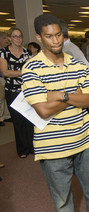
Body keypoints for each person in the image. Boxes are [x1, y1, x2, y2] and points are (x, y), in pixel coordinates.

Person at [21, 14, 89, 212]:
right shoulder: (31, 69)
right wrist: (75, 95)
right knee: (62, 198)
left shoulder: (77, 64)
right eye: (49, 36)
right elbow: (43, 110)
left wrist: (59, 95)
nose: (56, 40)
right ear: (39, 37)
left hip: (83, 137)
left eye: (58, 35)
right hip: (52, 144)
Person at [0, 27, 34, 158]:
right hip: (12, 91)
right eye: (15, 36)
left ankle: (32, 146)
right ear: (9, 38)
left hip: (27, 90)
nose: (18, 39)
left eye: (20, 36)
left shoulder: (27, 52)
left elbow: (32, 69)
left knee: (30, 120)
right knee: (18, 121)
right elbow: (5, 73)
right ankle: (22, 149)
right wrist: (23, 72)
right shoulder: (3, 53)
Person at [0, 31, 8, 127]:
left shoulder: (6, 51)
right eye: (4, 38)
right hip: (1, 76)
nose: (6, 40)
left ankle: (4, 117)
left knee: (3, 98)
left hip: (5, 78)